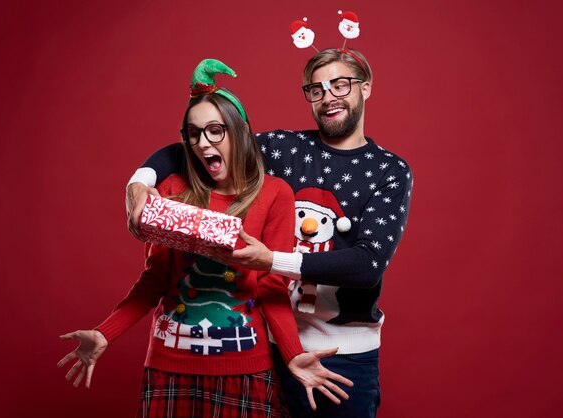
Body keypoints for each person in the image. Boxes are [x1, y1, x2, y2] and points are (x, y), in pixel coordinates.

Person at [126, 49, 413, 418]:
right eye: (316, 89)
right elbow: (198, 145)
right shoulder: (284, 148)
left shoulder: (389, 171)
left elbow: (367, 265)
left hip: (344, 356)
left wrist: (270, 260)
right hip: (268, 345)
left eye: (340, 85)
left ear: (366, 88)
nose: (329, 98)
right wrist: (140, 181)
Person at [58, 59, 352, 418]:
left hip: (244, 369)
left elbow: (273, 284)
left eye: (216, 130)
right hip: (169, 367)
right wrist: (106, 333)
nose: (203, 143)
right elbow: (154, 280)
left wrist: (292, 354)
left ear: (240, 131)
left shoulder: (275, 194)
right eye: (193, 133)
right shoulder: (170, 190)